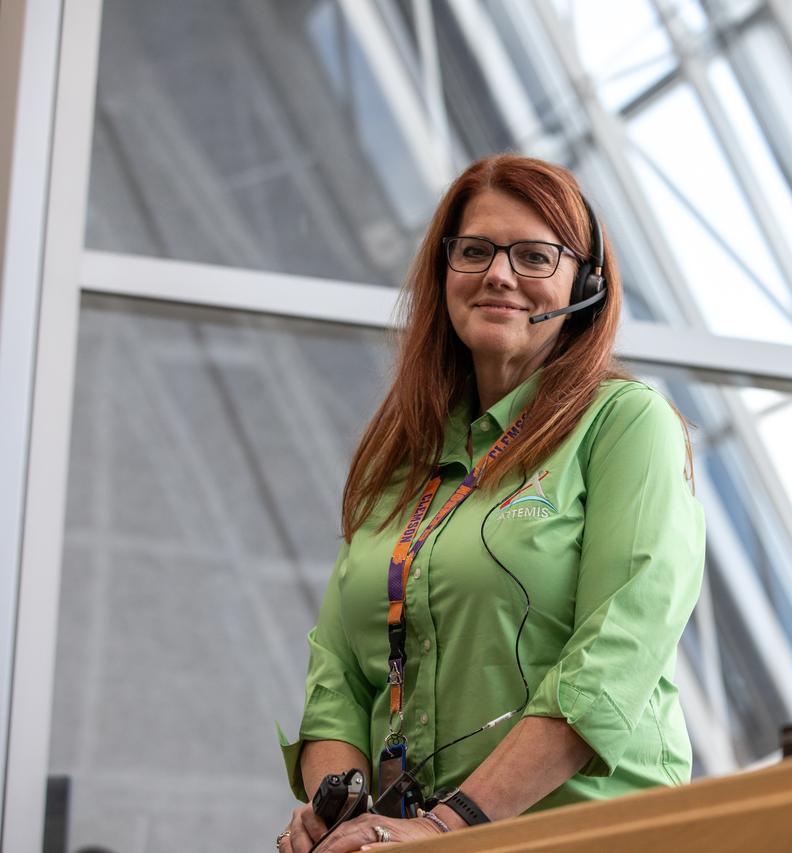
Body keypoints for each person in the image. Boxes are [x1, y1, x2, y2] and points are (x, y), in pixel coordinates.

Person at [275, 155, 706, 852]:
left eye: (534, 256)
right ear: (444, 273)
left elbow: (611, 661)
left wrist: (444, 826)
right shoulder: (403, 460)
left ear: (585, 283)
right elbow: (337, 677)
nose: (499, 274)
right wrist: (346, 817)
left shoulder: (626, 425)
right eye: (474, 251)